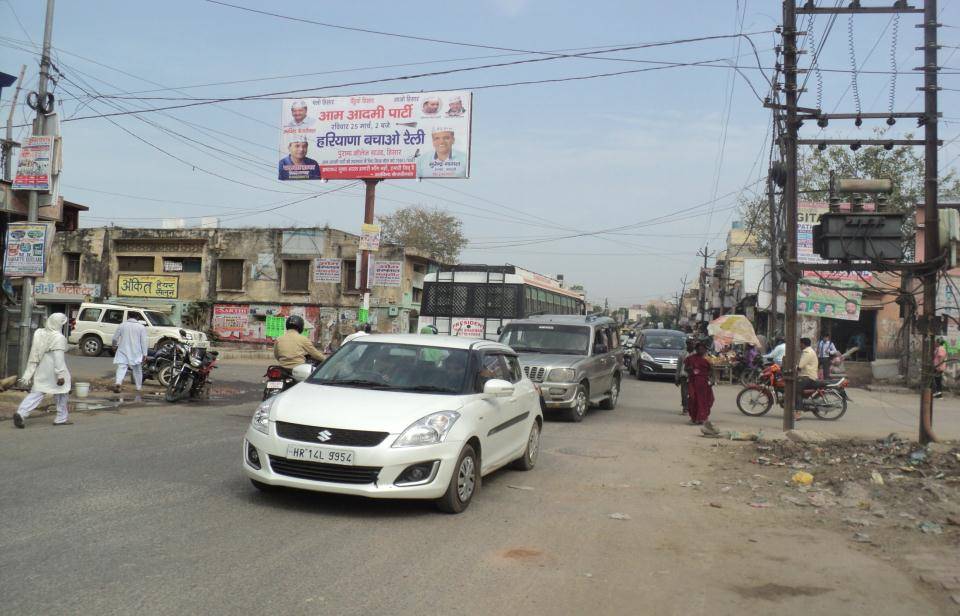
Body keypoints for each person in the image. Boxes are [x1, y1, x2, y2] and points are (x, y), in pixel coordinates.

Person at [13, 313, 72, 428]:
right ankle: (61, 418)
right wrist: (60, 375)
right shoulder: (59, 338)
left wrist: (29, 372)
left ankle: (21, 413)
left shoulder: (40, 333)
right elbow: (58, 358)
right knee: (62, 392)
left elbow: (34, 352)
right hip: (54, 370)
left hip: (42, 368)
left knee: (37, 392)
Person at [112, 314, 149, 394]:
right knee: (137, 369)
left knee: (121, 367)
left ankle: (118, 383)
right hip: (136, 351)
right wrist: (145, 353)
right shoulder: (141, 327)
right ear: (137, 318)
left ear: (128, 317)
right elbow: (144, 341)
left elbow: (115, 338)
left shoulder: (122, 325)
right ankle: (138, 387)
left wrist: (114, 346)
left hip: (123, 350)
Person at [683, 341, 714, 425]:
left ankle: (702, 418)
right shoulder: (690, 358)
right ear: (696, 349)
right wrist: (691, 369)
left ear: (705, 350)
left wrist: (711, 380)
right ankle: (694, 418)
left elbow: (711, 371)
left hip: (704, 383)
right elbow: (686, 368)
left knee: (704, 400)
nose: (700, 350)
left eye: (702, 349)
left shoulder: (708, 359)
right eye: (698, 349)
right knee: (693, 399)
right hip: (693, 381)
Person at [796, 337, 819, 420]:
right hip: (808, 375)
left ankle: (798, 412)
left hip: (807, 376)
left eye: (800, 344)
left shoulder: (807, 352)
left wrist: (793, 368)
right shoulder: (810, 351)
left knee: (796, 391)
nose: (799, 345)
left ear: (803, 344)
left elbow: (800, 366)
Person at [675, 338, 695, 415]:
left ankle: (691, 407)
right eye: (689, 343)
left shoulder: (696, 353)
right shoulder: (682, 353)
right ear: (687, 344)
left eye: (692, 343)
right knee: (684, 393)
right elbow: (679, 366)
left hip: (694, 377)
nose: (691, 345)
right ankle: (685, 407)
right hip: (684, 375)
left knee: (692, 393)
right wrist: (676, 377)